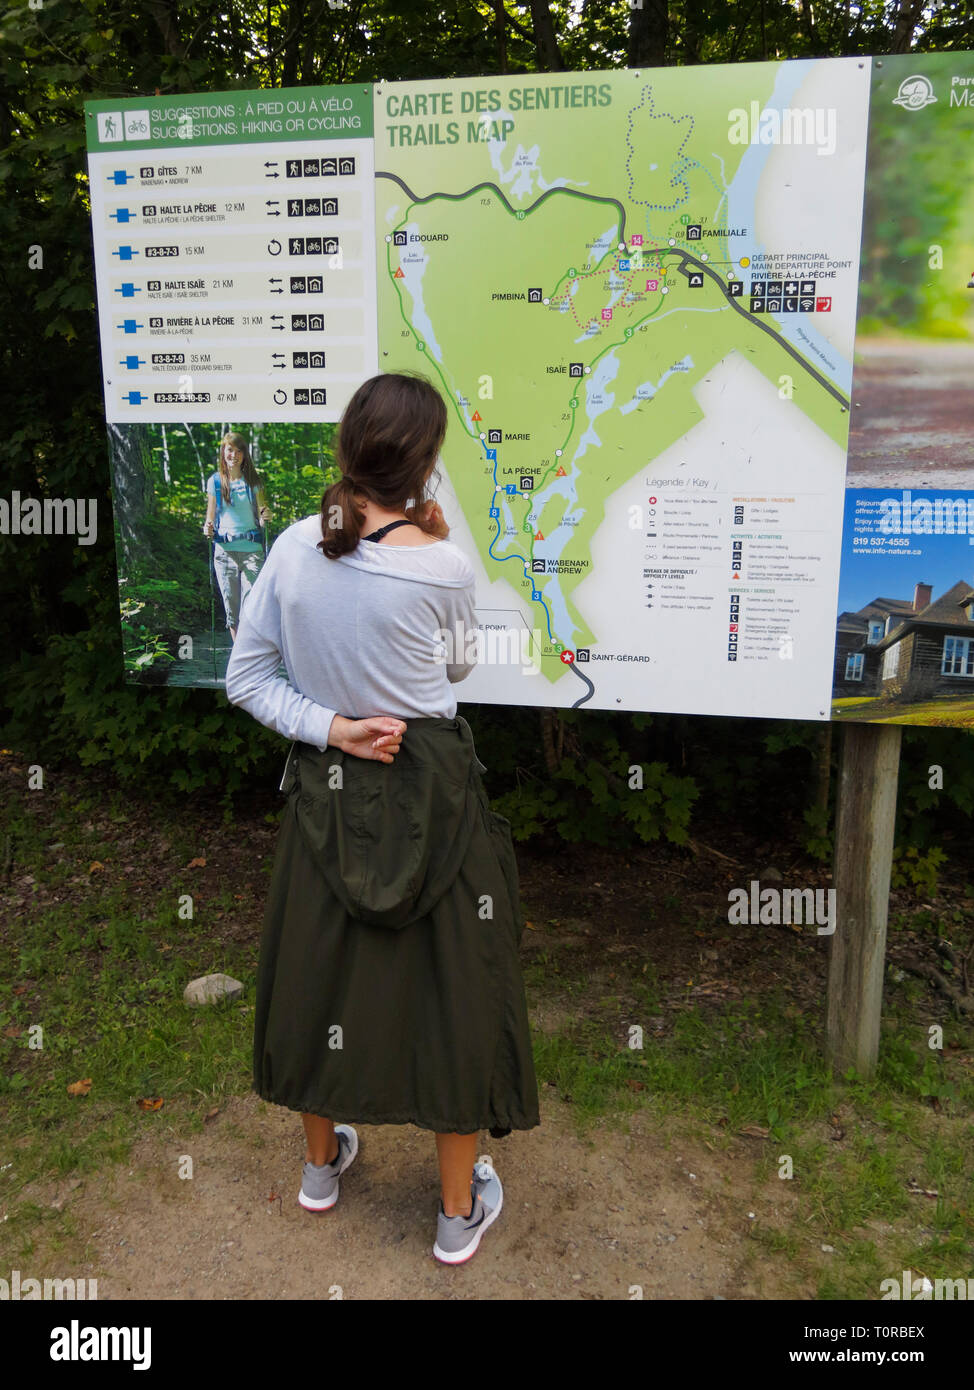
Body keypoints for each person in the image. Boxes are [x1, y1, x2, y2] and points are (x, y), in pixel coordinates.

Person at [224, 372, 540, 1265]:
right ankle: (452, 1215)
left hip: (328, 795)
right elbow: (462, 671)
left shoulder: (291, 548)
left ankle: (321, 1169)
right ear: (426, 464)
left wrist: (332, 728)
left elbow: (248, 679)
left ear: (348, 450)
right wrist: (439, 553)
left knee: (314, 980)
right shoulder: (442, 565)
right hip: (433, 794)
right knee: (455, 994)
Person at [203, 433, 272, 642]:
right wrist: (207, 529)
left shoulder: (253, 481)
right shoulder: (215, 482)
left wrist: (265, 517)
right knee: (232, 611)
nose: (234, 455)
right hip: (225, 553)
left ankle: (249, 656)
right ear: (223, 453)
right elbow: (210, 518)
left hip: (252, 552)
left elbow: (262, 514)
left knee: (252, 609)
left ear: (244, 455)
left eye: (239, 451)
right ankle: (240, 658)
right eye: (230, 450)